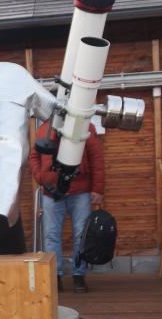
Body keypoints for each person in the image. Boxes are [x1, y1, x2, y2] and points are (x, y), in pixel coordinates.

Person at [28, 121, 105, 293]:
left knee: (81, 235)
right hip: (51, 191)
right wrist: (41, 177)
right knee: (51, 235)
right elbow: (34, 156)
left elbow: (96, 157)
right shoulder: (44, 128)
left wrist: (97, 189)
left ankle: (79, 275)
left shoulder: (86, 126)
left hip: (80, 190)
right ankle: (55, 277)